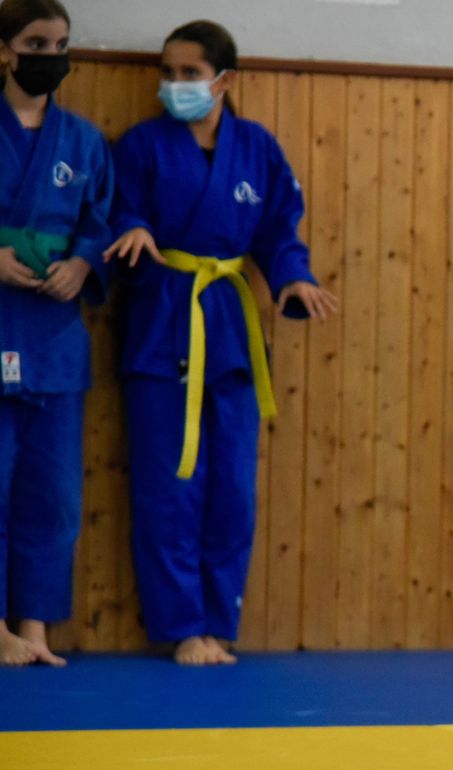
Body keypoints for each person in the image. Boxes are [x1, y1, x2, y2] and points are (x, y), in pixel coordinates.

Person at [104, 20, 338, 665]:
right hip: (161, 324)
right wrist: (131, 231)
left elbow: (279, 232)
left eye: (189, 74)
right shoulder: (142, 146)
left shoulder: (257, 148)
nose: (175, 85)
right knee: (168, 486)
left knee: (232, 487)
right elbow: (119, 208)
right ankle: (183, 628)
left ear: (223, 80)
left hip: (231, 330)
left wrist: (293, 280)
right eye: (169, 73)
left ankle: (219, 622)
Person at [0, 0, 111, 667]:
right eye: (37, 41)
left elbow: (99, 221)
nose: (52, 54)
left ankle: (34, 628)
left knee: (54, 492)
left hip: (53, 335)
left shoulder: (83, 140)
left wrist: (82, 262)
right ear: (6, 51)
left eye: (62, 42)